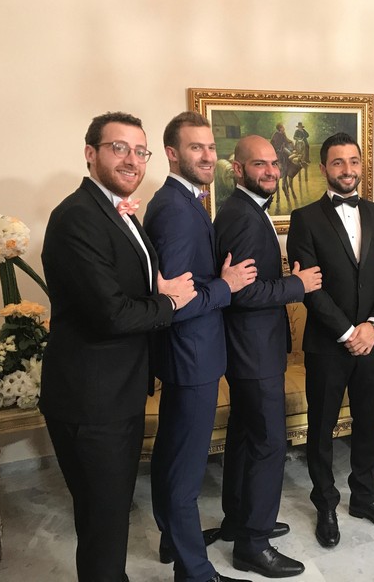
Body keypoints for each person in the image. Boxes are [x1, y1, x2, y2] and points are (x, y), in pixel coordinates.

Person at [40, 111, 197, 582]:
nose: (132, 159)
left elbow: (126, 283)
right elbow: (111, 315)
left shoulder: (115, 209)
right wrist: (170, 302)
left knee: (109, 518)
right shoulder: (77, 217)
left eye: (139, 151)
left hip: (116, 392)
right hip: (92, 401)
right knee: (103, 523)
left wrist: (156, 286)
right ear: (91, 153)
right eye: (119, 148)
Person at [143, 111, 257, 582]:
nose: (208, 156)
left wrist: (217, 279)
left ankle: (173, 540)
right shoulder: (174, 209)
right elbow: (175, 303)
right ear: (172, 153)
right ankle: (195, 572)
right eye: (196, 148)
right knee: (186, 469)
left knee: (172, 454)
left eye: (211, 147)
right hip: (191, 356)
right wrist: (227, 285)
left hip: (188, 355)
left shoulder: (182, 200)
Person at [210, 135, 322, 577]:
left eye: (274, 163)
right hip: (253, 351)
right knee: (268, 443)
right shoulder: (242, 216)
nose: (272, 171)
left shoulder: (244, 209)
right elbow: (242, 292)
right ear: (238, 169)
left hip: (251, 350)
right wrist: (298, 285)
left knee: (244, 436)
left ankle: (239, 521)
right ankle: (253, 546)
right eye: (260, 164)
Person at [286, 132, 374, 548]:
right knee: (321, 429)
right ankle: (326, 504)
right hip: (328, 343)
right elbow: (310, 286)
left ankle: (364, 497)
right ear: (323, 168)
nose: (348, 169)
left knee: (369, 423)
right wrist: (347, 331)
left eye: (353, 161)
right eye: (338, 162)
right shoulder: (305, 218)